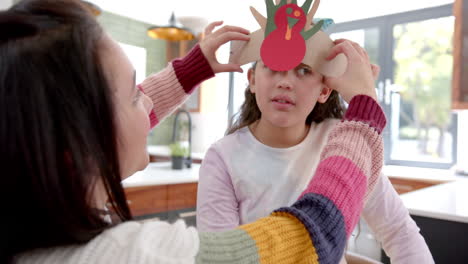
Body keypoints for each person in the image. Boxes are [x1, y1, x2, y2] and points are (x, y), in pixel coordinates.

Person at [1, 0, 384, 263]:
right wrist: (364, 115)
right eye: (136, 95)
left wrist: (190, 70)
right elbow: (308, 242)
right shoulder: (138, 256)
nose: (149, 106)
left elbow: (93, 123)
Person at [196, 18, 434, 264]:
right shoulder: (222, 157)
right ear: (253, 80)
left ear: (324, 90)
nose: (285, 82)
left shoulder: (342, 142)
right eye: (273, 65)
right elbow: (220, 258)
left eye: (304, 70)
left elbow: (399, 232)